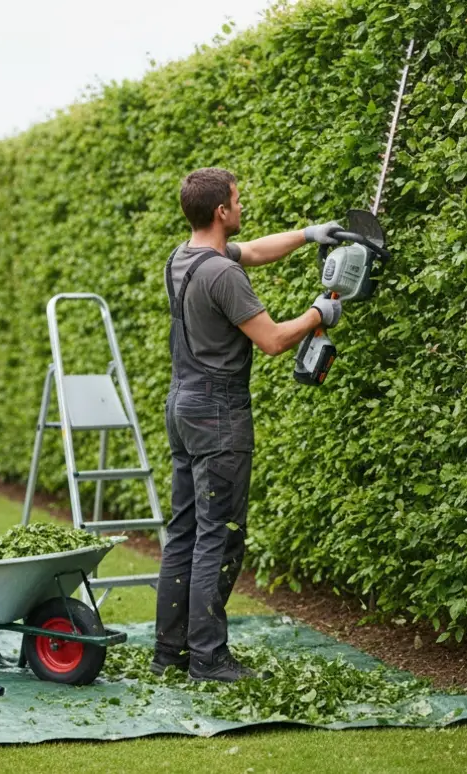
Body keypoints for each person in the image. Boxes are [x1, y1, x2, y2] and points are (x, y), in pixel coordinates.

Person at [151, 167, 343, 682]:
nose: (242, 207)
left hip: (182, 406)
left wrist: (310, 236)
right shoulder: (222, 275)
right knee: (220, 536)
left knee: (186, 531)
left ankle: (170, 652)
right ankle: (209, 659)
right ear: (220, 211)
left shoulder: (184, 258)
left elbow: (254, 249)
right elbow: (275, 339)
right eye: (237, 200)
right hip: (218, 413)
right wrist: (317, 314)